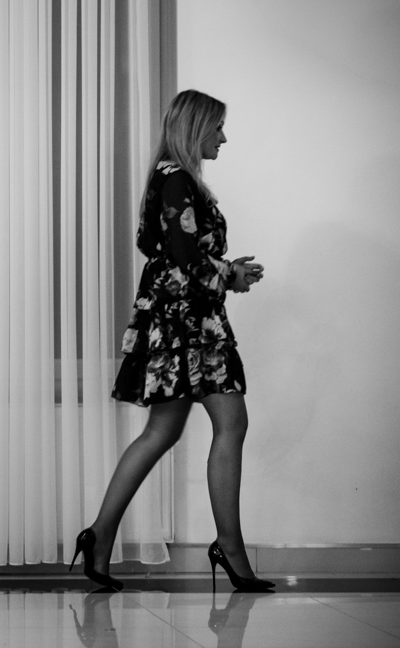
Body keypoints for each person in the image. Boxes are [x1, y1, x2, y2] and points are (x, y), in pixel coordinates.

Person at [71, 90, 274, 593]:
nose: (223, 138)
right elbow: (184, 257)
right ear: (196, 128)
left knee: (162, 431)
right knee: (229, 423)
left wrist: (225, 271)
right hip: (190, 325)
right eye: (217, 127)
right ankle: (229, 548)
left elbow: (166, 251)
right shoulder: (177, 179)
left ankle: (99, 536)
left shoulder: (170, 178)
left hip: (178, 321)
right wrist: (230, 275)